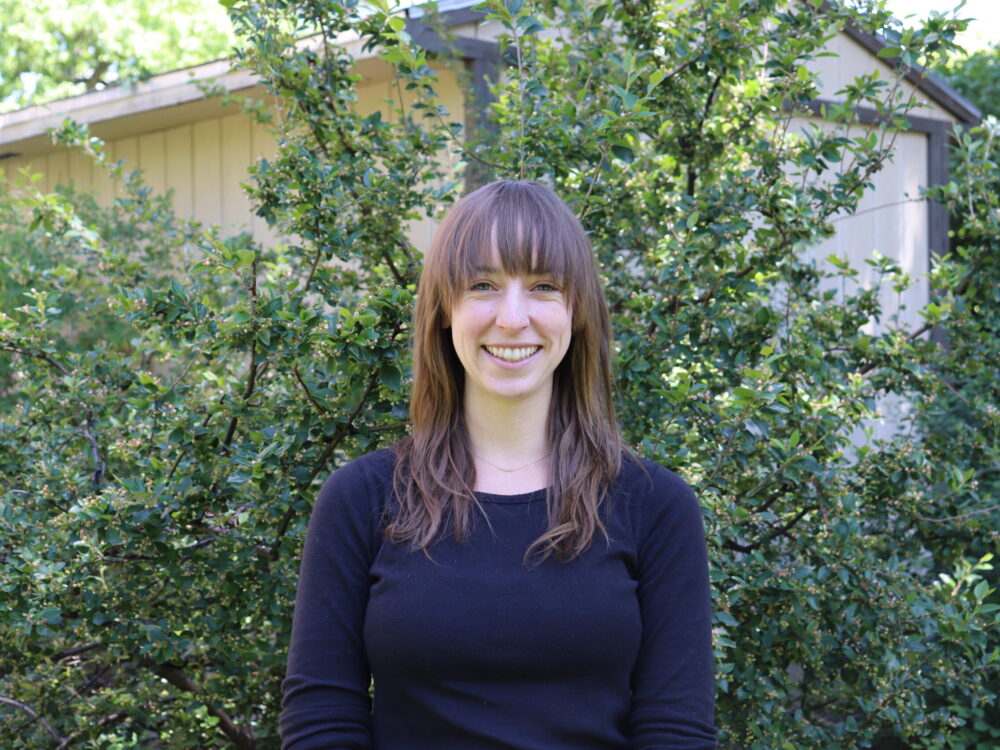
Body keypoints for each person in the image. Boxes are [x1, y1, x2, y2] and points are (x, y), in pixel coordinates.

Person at [279, 179, 717, 749]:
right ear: (445, 309)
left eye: (543, 287)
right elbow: (322, 720)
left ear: (577, 311)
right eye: (483, 285)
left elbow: (676, 731)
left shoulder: (654, 505)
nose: (512, 318)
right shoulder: (362, 498)